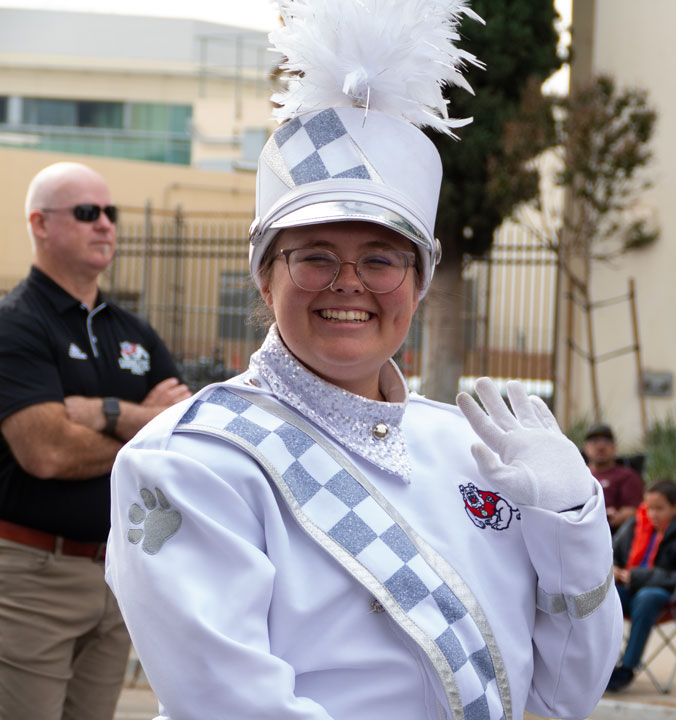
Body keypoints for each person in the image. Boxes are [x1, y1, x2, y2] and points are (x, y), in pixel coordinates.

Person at [103, 3, 622, 719]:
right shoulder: (189, 462)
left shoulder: (474, 450)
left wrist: (572, 521)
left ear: (418, 282)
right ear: (265, 276)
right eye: (314, 257)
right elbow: (234, 704)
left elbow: (567, 693)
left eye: (381, 259)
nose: (349, 282)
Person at [0, 161, 190, 720]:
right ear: (39, 223)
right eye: (87, 213)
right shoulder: (16, 324)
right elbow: (48, 452)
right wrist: (140, 427)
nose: (105, 224)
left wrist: (103, 411)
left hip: (118, 577)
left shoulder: (132, 331)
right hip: (33, 578)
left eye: (111, 213)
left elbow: (180, 437)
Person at [607, 479, 676, 692]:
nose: (652, 514)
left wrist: (637, 577)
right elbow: (611, 553)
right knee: (607, 594)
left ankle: (626, 667)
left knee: (647, 596)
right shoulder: (635, 525)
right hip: (631, 590)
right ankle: (602, 665)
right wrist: (615, 570)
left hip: (672, 596)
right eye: (649, 507)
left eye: (659, 508)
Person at [584, 423, 644, 532]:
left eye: (606, 442)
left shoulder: (627, 476)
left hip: (612, 533)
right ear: (586, 447)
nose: (600, 447)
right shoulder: (578, 475)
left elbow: (634, 510)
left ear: (614, 447)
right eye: (594, 441)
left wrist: (615, 515)